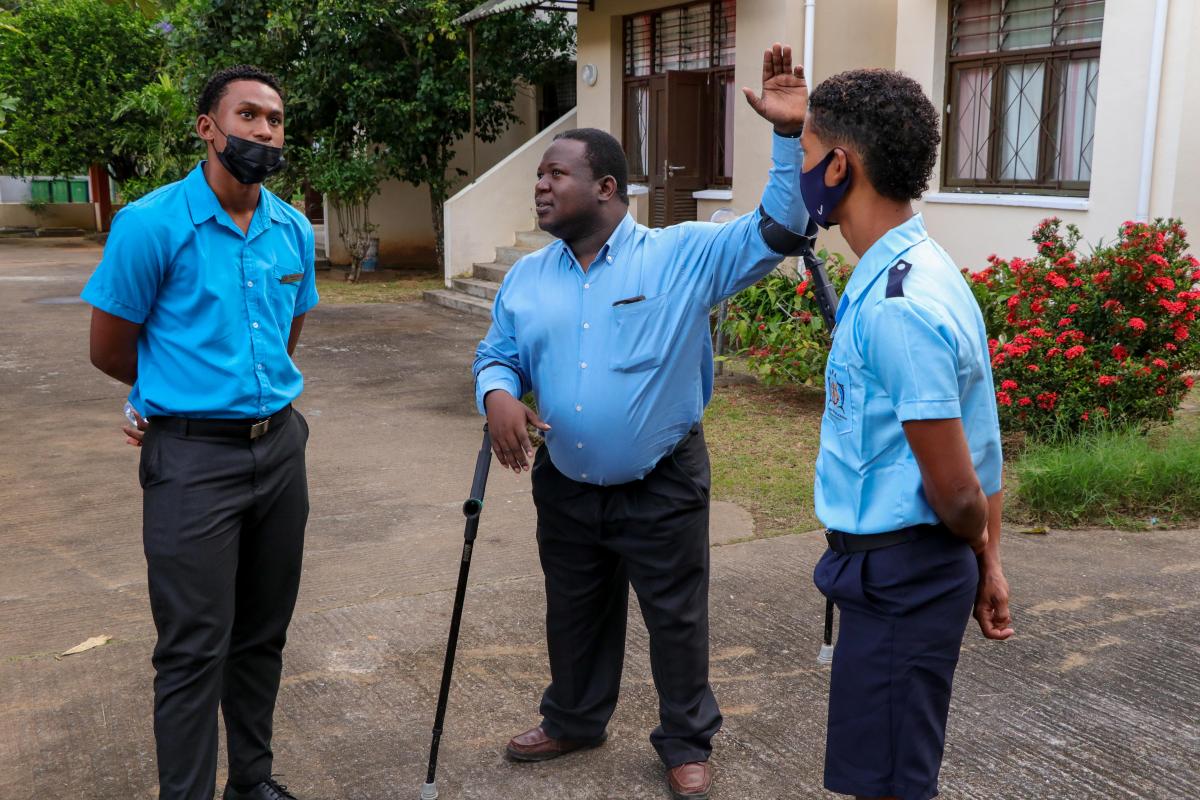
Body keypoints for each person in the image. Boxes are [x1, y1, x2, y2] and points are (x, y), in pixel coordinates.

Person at [472, 44, 810, 800]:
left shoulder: (681, 257)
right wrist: (497, 394)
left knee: (676, 620)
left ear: (607, 187)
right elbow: (497, 354)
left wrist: (788, 136)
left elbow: (781, 230)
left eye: (554, 174)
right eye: (539, 176)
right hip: (566, 483)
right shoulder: (528, 279)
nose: (541, 186)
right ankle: (574, 719)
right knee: (574, 611)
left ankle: (686, 743)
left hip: (662, 483)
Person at [82, 65, 317, 800]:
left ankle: (254, 781)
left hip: (280, 449)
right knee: (192, 649)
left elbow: (286, 334)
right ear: (207, 128)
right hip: (191, 461)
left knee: (262, 635)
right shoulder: (150, 225)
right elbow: (109, 347)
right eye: (247, 116)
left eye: (275, 119)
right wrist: (168, 399)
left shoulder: (291, 229)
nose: (264, 131)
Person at [801, 68, 1014, 800]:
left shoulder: (896, 304)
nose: (800, 171)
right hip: (905, 576)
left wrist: (976, 550)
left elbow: (957, 490)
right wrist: (989, 563)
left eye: (804, 152)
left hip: (903, 580)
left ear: (838, 167)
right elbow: (982, 443)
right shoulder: (928, 268)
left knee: (890, 785)